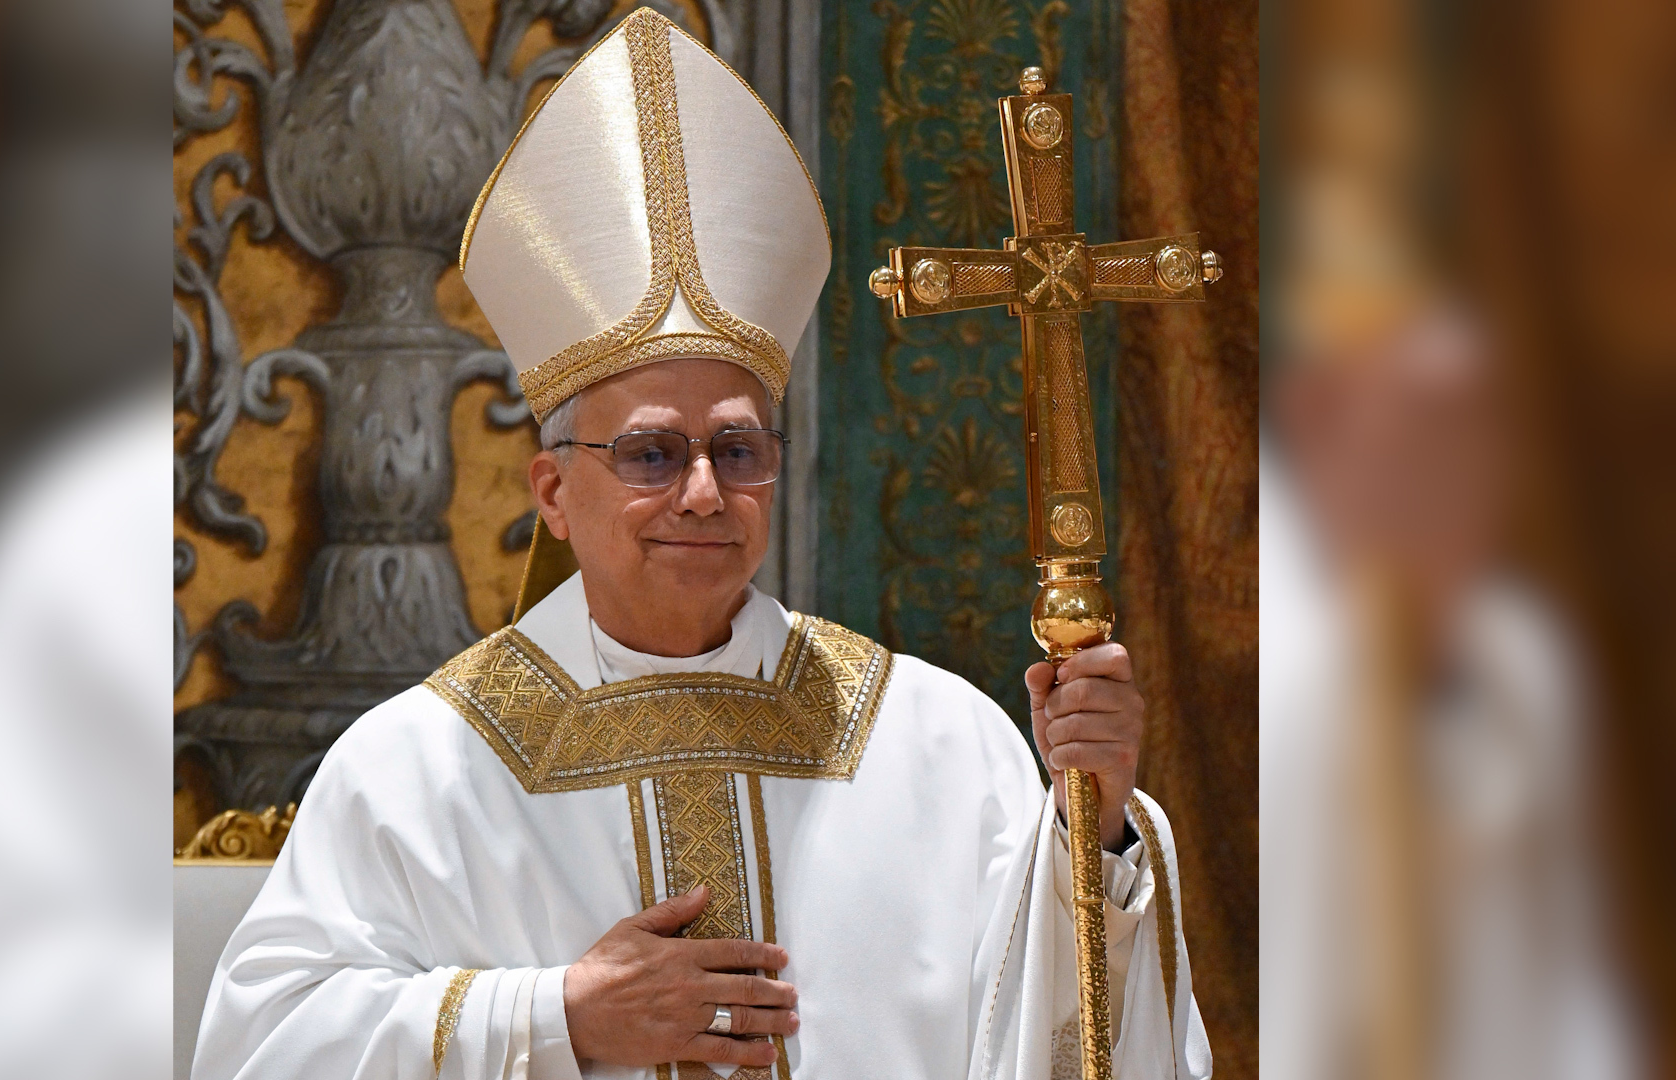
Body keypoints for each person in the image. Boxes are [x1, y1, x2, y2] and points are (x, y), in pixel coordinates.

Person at [191, 10, 1208, 1080]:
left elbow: (1056, 1026)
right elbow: (264, 1047)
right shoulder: (421, 767)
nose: (704, 493)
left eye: (738, 448)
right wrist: (559, 1017)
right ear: (552, 491)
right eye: (649, 455)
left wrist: (1094, 833)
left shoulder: (936, 741)